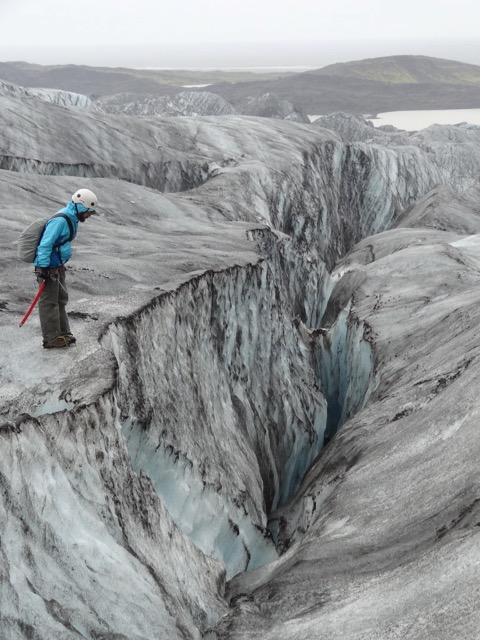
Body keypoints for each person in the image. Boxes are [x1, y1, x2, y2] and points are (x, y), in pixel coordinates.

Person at [34, 188, 98, 349]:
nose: (89, 215)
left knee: (60, 299)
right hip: (47, 267)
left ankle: (63, 332)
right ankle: (51, 338)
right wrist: (43, 267)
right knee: (49, 301)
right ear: (81, 207)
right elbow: (46, 244)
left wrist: (59, 264)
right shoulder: (61, 220)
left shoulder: (72, 218)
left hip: (56, 266)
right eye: (88, 212)